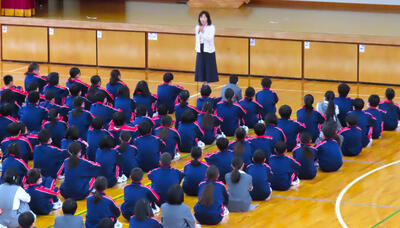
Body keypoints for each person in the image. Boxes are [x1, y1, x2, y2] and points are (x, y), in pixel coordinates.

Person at [195, 11, 218, 84]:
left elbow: (210, 38)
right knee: (201, 66)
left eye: (204, 17)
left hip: (208, 49)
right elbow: (197, 38)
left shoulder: (211, 27)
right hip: (200, 48)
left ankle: (208, 84)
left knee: (208, 67)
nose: (202, 19)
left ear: (207, 18)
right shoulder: (197, 27)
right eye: (201, 17)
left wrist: (203, 32)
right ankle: (203, 83)